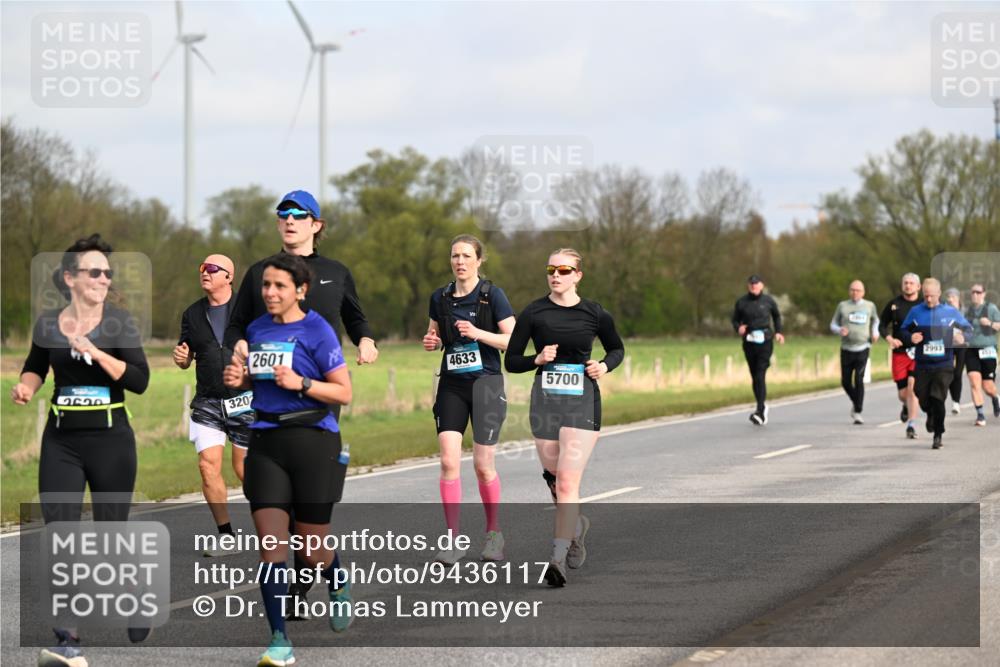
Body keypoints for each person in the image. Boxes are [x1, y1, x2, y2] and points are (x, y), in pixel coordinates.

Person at [224, 189, 377, 617]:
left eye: (298, 214)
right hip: (270, 401)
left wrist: (366, 340)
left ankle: (307, 577)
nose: (289, 220)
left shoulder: (336, 272)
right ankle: (298, 585)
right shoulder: (261, 273)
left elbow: (355, 317)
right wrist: (239, 348)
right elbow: (236, 325)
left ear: (316, 224)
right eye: (283, 214)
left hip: (320, 397)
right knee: (280, 506)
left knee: (307, 512)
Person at [10, 234, 151, 666]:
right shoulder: (48, 324)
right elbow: (35, 366)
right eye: (95, 272)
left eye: (108, 272)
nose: (104, 278)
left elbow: (140, 380)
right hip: (62, 442)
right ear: (70, 278)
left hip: (112, 443)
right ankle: (68, 639)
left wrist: (94, 351)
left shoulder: (120, 323)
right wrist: (27, 387)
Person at [222, 253, 353, 666]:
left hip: (313, 441)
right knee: (271, 547)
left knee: (311, 548)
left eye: (279, 285)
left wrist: (303, 382)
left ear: (301, 290)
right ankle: (279, 639)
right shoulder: (257, 330)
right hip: (266, 442)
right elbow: (258, 381)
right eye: (266, 285)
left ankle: (336, 578)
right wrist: (241, 378)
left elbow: (343, 392)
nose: (270, 292)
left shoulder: (317, 330)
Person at [504, 249, 624, 587]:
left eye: (564, 270)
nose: (556, 275)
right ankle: (576, 527)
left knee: (569, 481)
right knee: (556, 481)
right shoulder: (534, 312)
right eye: (551, 269)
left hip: (582, 402)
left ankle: (556, 558)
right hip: (545, 402)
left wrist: (604, 366)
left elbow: (617, 349)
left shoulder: (595, 313)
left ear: (578, 276)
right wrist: (537, 358)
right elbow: (511, 361)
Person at [422, 235, 516, 565]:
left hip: (486, 386)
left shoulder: (492, 296)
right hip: (452, 386)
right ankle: (453, 540)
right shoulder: (440, 297)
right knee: (449, 461)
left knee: (482, 465)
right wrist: (432, 342)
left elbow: (513, 340)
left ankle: (493, 534)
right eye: (455, 256)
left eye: (465, 256)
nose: (460, 261)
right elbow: (434, 333)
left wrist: (478, 333)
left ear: (478, 260)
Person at [174, 254, 253, 555]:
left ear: (229, 277)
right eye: (202, 268)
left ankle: (282, 523)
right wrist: (182, 359)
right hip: (208, 400)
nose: (204, 272)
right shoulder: (192, 314)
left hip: (245, 399)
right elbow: (186, 357)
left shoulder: (248, 310)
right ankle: (226, 536)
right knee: (207, 466)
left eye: (212, 269)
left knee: (245, 470)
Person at [899, 278, 973, 449]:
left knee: (938, 398)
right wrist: (910, 337)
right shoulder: (916, 311)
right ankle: (930, 414)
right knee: (921, 396)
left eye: (931, 296)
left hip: (944, 364)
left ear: (939, 294)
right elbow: (902, 330)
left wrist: (962, 337)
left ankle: (938, 435)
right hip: (922, 365)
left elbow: (969, 329)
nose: (928, 299)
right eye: (925, 296)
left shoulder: (950, 312)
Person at [731, 275, 785, 425]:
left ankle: (760, 411)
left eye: (756, 283)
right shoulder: (742, 302)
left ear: (761, 285)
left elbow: (776, 316)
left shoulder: (768, 301)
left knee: (760, 373)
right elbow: (735, 319)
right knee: (755, 376)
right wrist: (738, 328)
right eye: (751, 284)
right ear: (748, 286)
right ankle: (761, 406)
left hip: (765, 340)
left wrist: (778, 332)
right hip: (749, 341)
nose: (754, 286)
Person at [879, 272, 923, 439]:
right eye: (905, 283)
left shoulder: (923, 304)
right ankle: (906, 405)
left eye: (911, 283)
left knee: (913, 387)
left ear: (918, 286)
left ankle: (911, 425)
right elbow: (882, 325)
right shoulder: (894, 304)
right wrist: (890, 338)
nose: (908, 286)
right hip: (900, 352)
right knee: (903, 394)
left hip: (918, 353)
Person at [830, 280, 880, 424]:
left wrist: (875, 332)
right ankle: (856, 402)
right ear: (849, 291)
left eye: (858, 290)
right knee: (845, 382)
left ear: (863, 292)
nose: (855, 293)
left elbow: (876, 321)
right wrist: (839, 330)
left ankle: (858, 410)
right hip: (846, 348)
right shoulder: (843, 306)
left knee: (859, 378)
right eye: (852, 290)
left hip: (863, 347)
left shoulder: (869, 306)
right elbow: (833, 324)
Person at [964, 283, 1000, 426]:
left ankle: (995, 397)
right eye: (973, 292)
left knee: (988, 386)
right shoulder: (968, 311)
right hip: (971, 349)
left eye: (978, 292)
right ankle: (980, 415)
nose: (975, 295)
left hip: (988, 349)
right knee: (974, 381)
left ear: (984, 294)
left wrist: (990, 323)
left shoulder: (991, 308)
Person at [944, 287, 967, 415]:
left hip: (962, 346)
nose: (950, 299)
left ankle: (956, 402)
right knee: (949, 372)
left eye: (952, 297)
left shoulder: (965, 312)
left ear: (958, 298)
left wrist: (963, 336)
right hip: (948, 346)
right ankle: (954, 401)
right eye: (948, 297)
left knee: (958, 374)